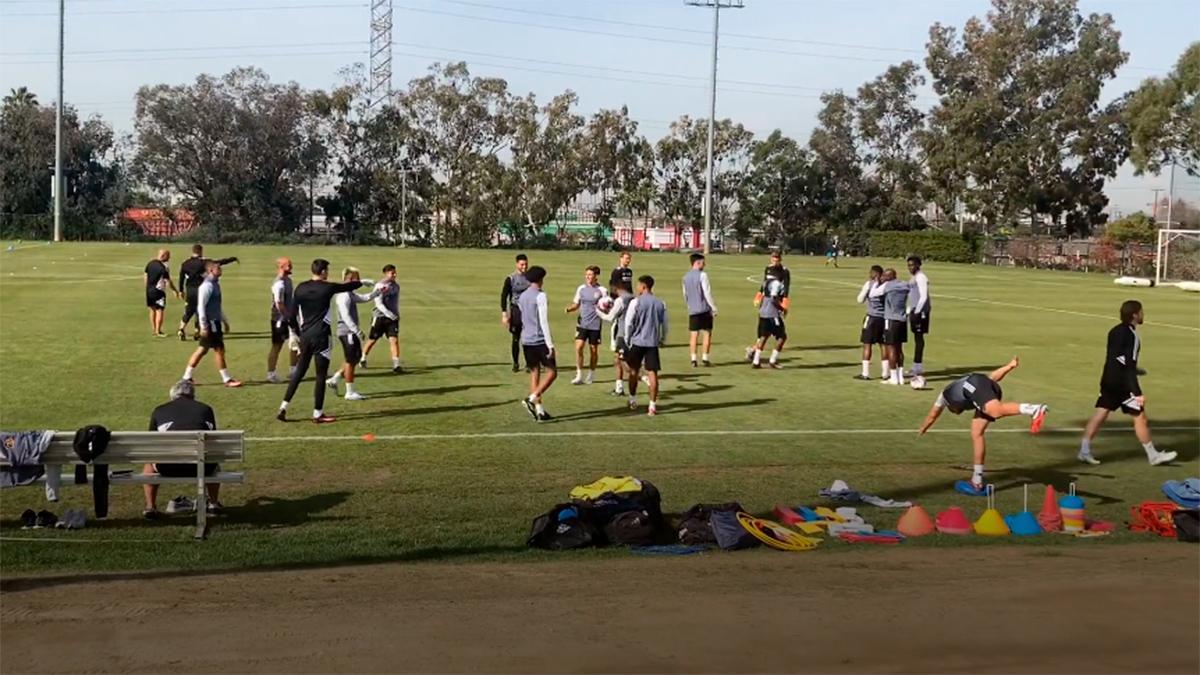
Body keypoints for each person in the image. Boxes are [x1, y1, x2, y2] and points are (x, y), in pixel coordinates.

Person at [918, 358, 1048, 492]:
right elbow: (992, 378)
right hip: (988, 385)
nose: (957, 413)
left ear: (951, 406)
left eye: (956, 411)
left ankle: (1033, 409)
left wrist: (923, 428)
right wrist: (1009, 366)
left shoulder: (944, 397)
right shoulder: (968, 397)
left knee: (995, 411)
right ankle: (977, 480)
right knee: (977, 433)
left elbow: (932, 415)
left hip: (973, 383)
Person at [1078, 300, 1177, 466]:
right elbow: (1128, 365)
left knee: (1101, 413)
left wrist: (1135, 370)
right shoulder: (1132, 335)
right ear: (1134, 315)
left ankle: (1084, 450)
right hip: (1122, 384)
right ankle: (1153, 455)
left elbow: (1116, 358)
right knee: (1140, 416)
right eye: (1141, 312)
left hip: (1108, 379)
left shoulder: (1114, 331)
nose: (1143, 315)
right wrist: (1137, 392)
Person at [276, 259, 364, 424]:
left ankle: (283, 407)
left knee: (299, 372)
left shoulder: (300, 287)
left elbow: (291, 315)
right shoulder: (328, 287)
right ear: (323, 271)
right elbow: (348, 286)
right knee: (320, 375)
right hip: (322, 336)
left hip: (306, 336)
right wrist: (362, 282)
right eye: (327, 270)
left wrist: (297, 333)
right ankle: (318, 413)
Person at [142, 380, 223, 518]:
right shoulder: (205, 409)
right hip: (203, 466)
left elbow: (152, 442)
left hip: (168, 466)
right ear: (193, 395)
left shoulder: (160, 410)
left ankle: (150, 507)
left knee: (149, 463)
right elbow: (212, 440)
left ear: (172, 395)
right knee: (213, 459)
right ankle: (213, 504)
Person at [181, 260, 241, 387]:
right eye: (218, 268)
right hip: (211, 323)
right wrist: (203, 326)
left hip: (215, 321)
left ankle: (186, 377)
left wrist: (224, 321)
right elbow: (201, 307)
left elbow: (217, 306)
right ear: (210, 271)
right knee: (219, 350)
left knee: (202, 349)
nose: (220, 270)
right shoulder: (207, 286)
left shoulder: (215, 284)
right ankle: (227, 379)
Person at [326, 267, 383, 401]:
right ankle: (349, 391)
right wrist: (356, 330)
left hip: (349, 331)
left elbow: (363, 298)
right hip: (347, 332)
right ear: (350, 279)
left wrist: (376, 293)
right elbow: (345, 315)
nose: (359, 281)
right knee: (352, 360)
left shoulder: (349, 292)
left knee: (352, 358)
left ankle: (335, 379)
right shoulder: (344, 295)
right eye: (357, 278)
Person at [624, 275, 668, 416]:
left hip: (637, 342)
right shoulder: (660, 303)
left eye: (638, 286)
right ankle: (652, 406)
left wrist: (627, 338)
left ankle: (632, 400)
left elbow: (628, 323)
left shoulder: (635, 302)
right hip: (652, 343)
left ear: (643, 286)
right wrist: (662, 339)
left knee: (633, 371)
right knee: (652, 373)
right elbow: (665, 325)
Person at [517, 266, 556, 422]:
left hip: (526, 340)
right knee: (552, 373)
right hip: (539, 340)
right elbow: (543, 321)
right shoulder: (540, 296)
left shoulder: (523, 296)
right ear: (541, 279)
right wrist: (550, 344)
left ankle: (540, 411)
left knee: (535, 374)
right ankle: (531, 399)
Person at [177, 244, 238, 340]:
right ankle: (197, 331)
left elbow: (181, 278)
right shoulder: (204, 262)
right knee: (200, 310)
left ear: (192, 251)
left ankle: (181, 329)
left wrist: (180, 290)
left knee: (189, 311)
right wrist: (232, 259)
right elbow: (219, 262)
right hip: (201, 289)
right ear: (201, 251)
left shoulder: (185, 263)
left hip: (190, 290)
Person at [565, 265, 607, 385]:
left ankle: (591, 374)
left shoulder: (602, 290)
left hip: (595, 324)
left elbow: (606, 305)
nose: (587, 277)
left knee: (593, 351)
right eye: (586, 274)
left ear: (595, 276)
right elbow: (576, 304)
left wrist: (605, 309)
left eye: (590, 274)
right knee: (578, 348)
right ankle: (579, 374)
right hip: (582, 323)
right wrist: (569, 309)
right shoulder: (581, 288)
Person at [870, 268, 909, 385]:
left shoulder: (887, 286)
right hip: (902, 319)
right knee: (899, 349)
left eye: (885, 276)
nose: (883, 278)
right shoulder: (904, 285)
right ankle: (900, 377)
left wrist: (877, 282)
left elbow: (873, 294)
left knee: (890, 348)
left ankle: (893, 378)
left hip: (891, 320)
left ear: (889, 277)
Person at [360, 264, 402, 373]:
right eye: (392, 273)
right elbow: (378, 304)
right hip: (379, 317)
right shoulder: (380, 286)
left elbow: (395, 302)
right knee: (373, 340)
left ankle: (396, 365)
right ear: (386, 273)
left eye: (395, 272)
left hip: (392, 318)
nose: (395, 275)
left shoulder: (396, 286)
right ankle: (363, 358)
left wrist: (396, 314)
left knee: (394, 340)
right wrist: (388, 313)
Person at [598, 280, 635, 397]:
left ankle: (644, 378)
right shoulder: (634, 299)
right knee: (617, 359)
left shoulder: (620, 300)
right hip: (634, 334)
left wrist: (598, 311)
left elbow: (609, 318)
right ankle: (619, 388)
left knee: (624, 362)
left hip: (622, 335)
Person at [682, 253, 718, 368]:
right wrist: (713, 307)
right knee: (707, 333)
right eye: (703, 262)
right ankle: (705, 358)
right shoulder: (703, 275)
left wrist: (689, 306)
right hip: (704, 309)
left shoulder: (685, 277)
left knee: (693, 335)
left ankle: (693, 359)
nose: (704, 264)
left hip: (693, 309)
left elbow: (685, 295)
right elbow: (707, 293)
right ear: (697, 263)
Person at [266, 257, 298, 384]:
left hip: (290, 317)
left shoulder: (288, 281)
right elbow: (279, 304)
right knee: (277, 346)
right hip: (279, 319)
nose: (291, 267)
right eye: (288, 265)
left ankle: (293, 371)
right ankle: (271, 374)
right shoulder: (279, 283)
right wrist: (288, 317)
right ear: (281, 266)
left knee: (295, 343)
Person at [500, 254, 531, 372]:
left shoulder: (530, 277)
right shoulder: (511, 278)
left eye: (526, 264)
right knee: (516, 338)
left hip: (528, 310)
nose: (524, 267)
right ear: (517, 264)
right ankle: (516, 363)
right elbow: (504, 296)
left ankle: (529, 363)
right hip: (516, 310)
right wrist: (504, 314)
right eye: (522, 264)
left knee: (528, 338)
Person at [855, 265, 886, 380]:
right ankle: (886, 373)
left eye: (871, 273)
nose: (869, 275)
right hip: (884, 318)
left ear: (875, 274)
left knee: (867, 344)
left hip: (872, 317)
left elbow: (860, 299)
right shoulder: (887, 286)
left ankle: (865, 373)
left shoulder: (870, 284)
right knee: (883, 345)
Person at [748, 275, 786, 369]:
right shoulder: (776, 283)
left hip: (763, 313)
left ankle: (756, 361)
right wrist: (782, 309)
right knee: (782, 336)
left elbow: (763, 296)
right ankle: (773, 360)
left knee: (764, 336)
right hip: (772, 314)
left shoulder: (766, 282)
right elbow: (773, 298)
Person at [144, 249, 178, 338]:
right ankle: (158, 331)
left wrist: (147, 287)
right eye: (168, 256)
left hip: (149, 290)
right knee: (160, 310)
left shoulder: (150, 263)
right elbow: (168, 281)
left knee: (152, 309)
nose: (169, 258)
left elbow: (145, 276)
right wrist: (174, 290)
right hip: (158, 291)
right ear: (164, 256)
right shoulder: (163, 268)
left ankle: (154, 329)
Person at [907, 256, 931, 378]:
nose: (910, 267)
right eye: (909, 265)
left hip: (920, 312)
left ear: (918, 265)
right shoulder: (914, 277)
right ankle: (916, 366)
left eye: (912, 265)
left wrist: (917, 311)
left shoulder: (921, 277)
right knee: (916, 337)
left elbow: (923, 296)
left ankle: (917, 367)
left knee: (919, 338)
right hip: (914, 310)